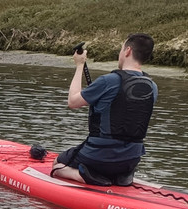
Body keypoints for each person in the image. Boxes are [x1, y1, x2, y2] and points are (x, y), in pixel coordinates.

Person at [50, 34, 157, 187]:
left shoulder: (109, 80)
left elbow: (73, 101)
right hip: (132, 159)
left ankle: (85, 175)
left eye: (121, 49)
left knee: (57, 165)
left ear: (127, 51)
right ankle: (121, 175)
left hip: (100, 156)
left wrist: (80, 65)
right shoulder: (152, 87)